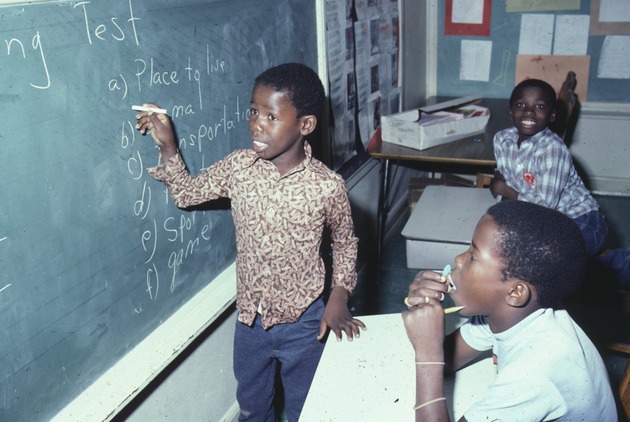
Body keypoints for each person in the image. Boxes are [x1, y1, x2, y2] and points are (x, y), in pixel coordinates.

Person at [134, 62, 366, 421]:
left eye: (271, 116)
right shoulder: (238, 168)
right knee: (252, 407)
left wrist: (339, 295)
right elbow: (187, 194)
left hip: (305, 323)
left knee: (309, 407)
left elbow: (345, 241)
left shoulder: (326, 185)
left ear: (305, 125)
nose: (256, 123)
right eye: (253, 111)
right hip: (250, 322)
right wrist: (168, 147)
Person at [402, 200, 617, 421]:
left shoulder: (535, 372)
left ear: (515, 293)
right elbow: (448, 362)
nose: (458, 259)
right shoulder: (509, 314)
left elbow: (434, 360)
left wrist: (427, 353)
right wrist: (427, 324)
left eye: (473, 257)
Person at [490, 78, 607, 257]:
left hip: (582, 222)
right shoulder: (502, 140)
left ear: (552, 115)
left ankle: (614, 264)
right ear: (510, 112)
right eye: (521, 105)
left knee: (547, 264)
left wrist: (504, 190)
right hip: (544, 218)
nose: (529, 111)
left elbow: (544, 206)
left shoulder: (553, 150)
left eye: (539, 106)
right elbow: (506, 182)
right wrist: (504, 192)